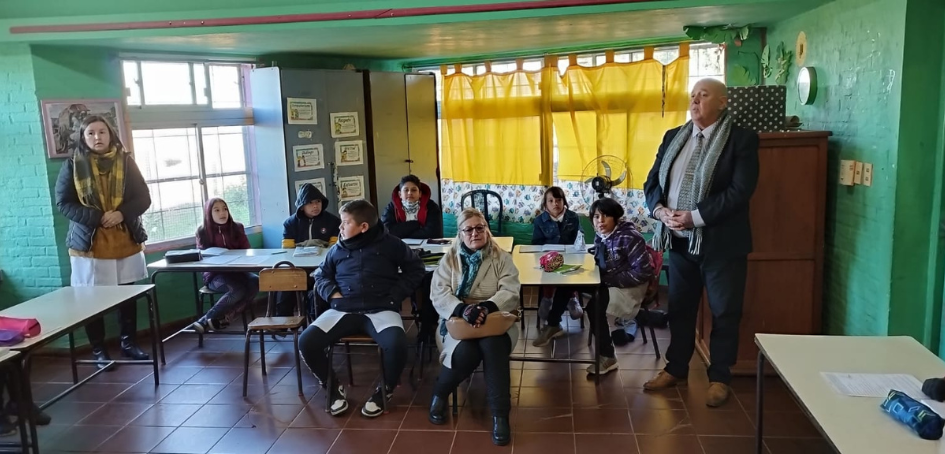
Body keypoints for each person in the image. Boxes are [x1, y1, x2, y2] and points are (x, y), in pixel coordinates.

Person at [642, 78, 760, 407]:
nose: (695, 101)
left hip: (722, 246)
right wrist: (660, 210)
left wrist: (695, 217)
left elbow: (740, 192)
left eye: (704, 95)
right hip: (680, 245)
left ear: (722, 102)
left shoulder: (741, 140)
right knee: (679, 310)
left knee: (724, 312)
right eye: (693, 96)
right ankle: (676, 368)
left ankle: (720, 377)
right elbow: (652, 181)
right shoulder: (673, 137)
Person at [298, 200, 426, 418]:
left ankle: (385, 390)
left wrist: (394, 296)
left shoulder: (391, 244)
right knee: (306, 341)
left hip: (381, 309)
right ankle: (332, 387)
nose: (339, 228)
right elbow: (320, 275)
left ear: (364, 227)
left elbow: (416, 269)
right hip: (343, 309)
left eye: (345, 223)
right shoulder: (336, 249)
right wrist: (331, 293)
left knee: (397, 345)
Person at [55, 115, 151, 371]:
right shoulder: (73, 164)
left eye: (102, 132)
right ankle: (99, 351)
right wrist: (98, 217)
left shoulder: (126, 162)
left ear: (110, 135)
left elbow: (143, 198)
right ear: (83, 137)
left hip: (124, 240)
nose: (97, 137)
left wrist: (121, 213)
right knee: (90, 299)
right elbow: (64, 203)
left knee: (127, 297)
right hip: (89, 245)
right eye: (91, 133)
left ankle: (128, 344)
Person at [428, 208, 520, 446]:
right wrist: (464, 310)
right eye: (468, 229)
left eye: (480, 228)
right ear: (460, 233)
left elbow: (510, 291)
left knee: (494, 346)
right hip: (457, 320)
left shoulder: (502, 257)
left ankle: (500, 416)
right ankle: (440, 394)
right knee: (467, 352)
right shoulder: (449, 259)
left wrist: (486, 307)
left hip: (496, 318)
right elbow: (438, 294)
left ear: (487, 230)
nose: (475, 233)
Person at [584, 198, 654, 375]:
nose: (600, 221)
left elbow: (643, 273)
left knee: (594, 306)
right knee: (574, 286)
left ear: (615, 218)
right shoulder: (602, 235)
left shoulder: (630, 237)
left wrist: (610, 280)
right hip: (612, 280)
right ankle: (553, 324)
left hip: (632, 286)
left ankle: (608, 357)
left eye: (606, 216)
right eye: (596, 216)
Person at [192, 198, 259, 332]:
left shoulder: (237, 227)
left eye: (225, 209)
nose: (222, 213)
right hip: (215, 275)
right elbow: (202, 258)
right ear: (208, 214)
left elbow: (247, 250)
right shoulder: (202, 231)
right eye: (216, 210)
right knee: (238, 289)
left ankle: (223, 318)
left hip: (239, 272)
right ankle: (208, 319)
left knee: (256, 281)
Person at [531, 186, 584, 347]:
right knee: (548, 273)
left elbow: (579, 238)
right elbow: (536, 243)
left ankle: (572, 297)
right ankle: (548, 298)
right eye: (551, 201)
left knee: (570, 275)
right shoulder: (540, 220)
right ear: (545, 204)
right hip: (549, 260)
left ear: (564, 202)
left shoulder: (573, 217)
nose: (555, 204)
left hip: (570, 260)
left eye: (559, 200)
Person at [279, 183, 340, 317]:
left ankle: (317, 317)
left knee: (319, 287)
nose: (315, 206)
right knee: (285, 283)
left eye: (318, 202)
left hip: (323, 267)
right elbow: (288, 250)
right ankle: (283, 320)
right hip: (298, 267)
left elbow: (334, 248)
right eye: (310, 203)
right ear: (302, 205)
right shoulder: (290, 223)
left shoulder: (333, 221)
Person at [381, 174, 443, 240]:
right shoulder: (391, 208)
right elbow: (387, 232)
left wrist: (402, 233)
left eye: (414, 190)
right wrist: (415, 225)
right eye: (406, 190)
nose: (410, 193)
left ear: (420, 194)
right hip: (398, 246)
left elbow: (434, 233)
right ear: (400, 194)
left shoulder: (431, 207)